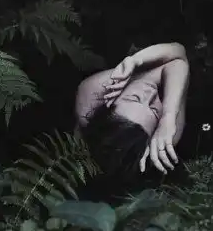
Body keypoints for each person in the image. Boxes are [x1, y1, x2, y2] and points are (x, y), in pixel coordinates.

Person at [75, 43, 190, 193]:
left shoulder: (92, 93)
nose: (151, 93)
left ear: (110, 102)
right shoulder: (168, 132)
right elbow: (179, 59)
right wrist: (169, 114)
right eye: (154, 110)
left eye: (135, 98)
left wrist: (135, 60)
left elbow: (176, 54)